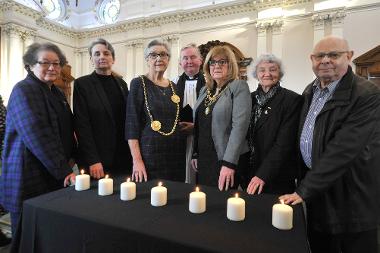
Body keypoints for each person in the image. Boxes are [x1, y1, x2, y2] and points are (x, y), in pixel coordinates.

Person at [280, 36, 380, 253]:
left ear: (349, 56)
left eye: (333, 55)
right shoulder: (310, 90)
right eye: (319, 56)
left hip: (351, 196)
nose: (325, 60)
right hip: (319, 191)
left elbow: (343, 150)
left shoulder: (367, 94)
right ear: (312, 59)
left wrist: (304, 190)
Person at [0, 42, 76, 245]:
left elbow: (69, 129)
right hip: (28, 176)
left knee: (47, 237)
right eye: (45, 63)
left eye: (56, 63)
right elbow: (37, 135)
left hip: (52, 174)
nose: (52, 68)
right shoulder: (23, 90)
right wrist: (64, 170)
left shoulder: (56, 93)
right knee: (25, 239)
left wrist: (73, 157)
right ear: (30, 65)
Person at [192, 45, 251, 191]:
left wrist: (229, 164)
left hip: (225, 158)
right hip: (204, 157)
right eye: (213, 62)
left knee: (222, 203)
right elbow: (200, 124)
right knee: (204, 197)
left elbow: (240, 127)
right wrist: (195, 153)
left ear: (230, 65)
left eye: (222, 62)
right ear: (207, 66)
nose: (216, 66)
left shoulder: (239, 87)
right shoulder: (204, 90)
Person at [242, 54, 302, 195]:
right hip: (248, 172)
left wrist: (263, 174)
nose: (267, 74)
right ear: (256, 74)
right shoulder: (248, 99)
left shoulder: (292, 100)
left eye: (273, 70)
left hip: (276, 175)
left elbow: (284, 143)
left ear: (279, 73)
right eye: (262, 70)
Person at [126, 40, 185, 182]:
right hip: (149, 154)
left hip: (175, 153)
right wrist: (137, 161)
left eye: (163, 55)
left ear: (168, 59)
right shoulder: (138, 83)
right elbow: (131, 126)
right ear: (147, 60)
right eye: (153, 55)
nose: (159, 58)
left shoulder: (174, 87)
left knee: (175, 196)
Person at [74, 38, 132, 179]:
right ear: (91, 59)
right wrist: (93, 160)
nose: (102, 57)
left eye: (106, 53)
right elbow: (82, 125)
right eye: (97, 54)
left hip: (123, 156)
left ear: (113, 59)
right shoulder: (82, 84)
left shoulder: (122, 84)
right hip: (98, 159)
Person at [172, 43, 205, 184]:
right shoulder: (173, 83)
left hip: (202, 136)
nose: (189, 61)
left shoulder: (210, 82)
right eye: (185, 58)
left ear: (201, 60)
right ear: (180, 63)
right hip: (179, 136)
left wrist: (196, 126)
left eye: (193, 57)